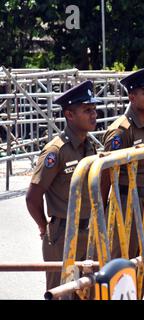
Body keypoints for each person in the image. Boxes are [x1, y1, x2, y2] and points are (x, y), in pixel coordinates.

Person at [26, 80, 99, 291]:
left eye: (94, 109)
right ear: (69, 115)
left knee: (87, 291)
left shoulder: (91, 146)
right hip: (63, 233)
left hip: (88, 230)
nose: (94, 114)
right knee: (61, 293)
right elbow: (32, 197)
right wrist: (45, 227)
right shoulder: (56, 151)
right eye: (87, 110)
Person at [101, 67, 144, 259]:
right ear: (132, 97)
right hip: (125, 202)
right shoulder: (120, 130)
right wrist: (101, 211)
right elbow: (105, 175)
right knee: (123, 260)